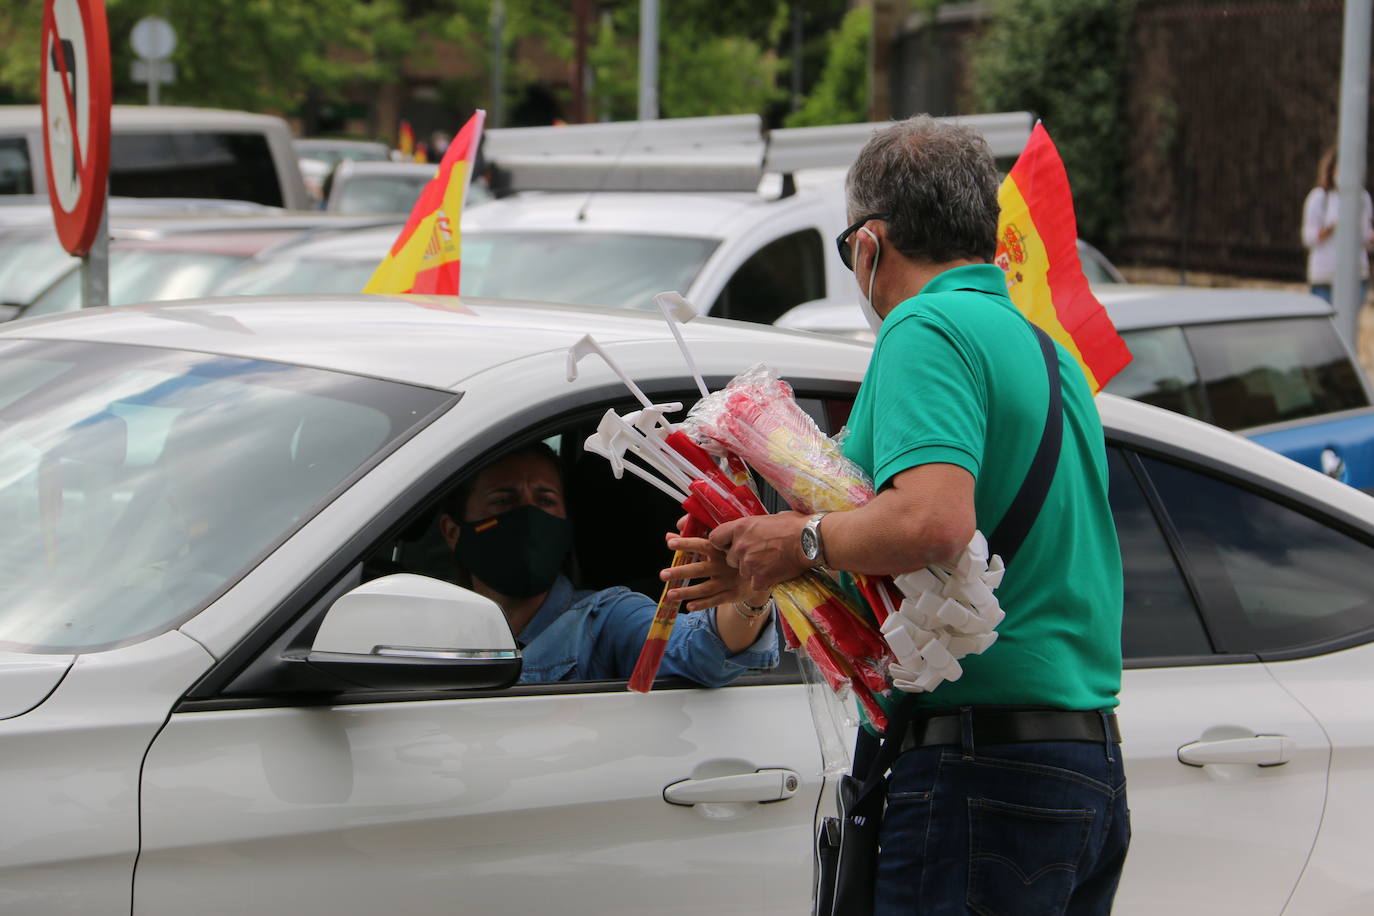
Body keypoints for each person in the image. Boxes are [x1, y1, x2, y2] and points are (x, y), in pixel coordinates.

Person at [664, 116, 1128, 914]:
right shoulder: (1045, 352)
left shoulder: (926, 327)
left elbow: (934, 522)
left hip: (979, 774)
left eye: (850, 253)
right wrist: (770, 562)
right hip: (1081, 769)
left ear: (869, 244)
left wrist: (800, 540)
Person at [438, 442, 777, 685]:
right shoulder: (430, 622)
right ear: (453, 532)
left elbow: (700, 653)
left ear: (565, 523)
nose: (529, 516)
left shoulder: (605, 618)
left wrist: (749, 588)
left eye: (546, 500)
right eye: (504, 500)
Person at [1301, 145, 1373, 304]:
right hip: (1324, 277)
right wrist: (1331, 228)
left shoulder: (1363, 198)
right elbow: (1309, 237)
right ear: (1332, 168)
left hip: (1356, 276)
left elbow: (1366, 239)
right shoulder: (1319, 198)